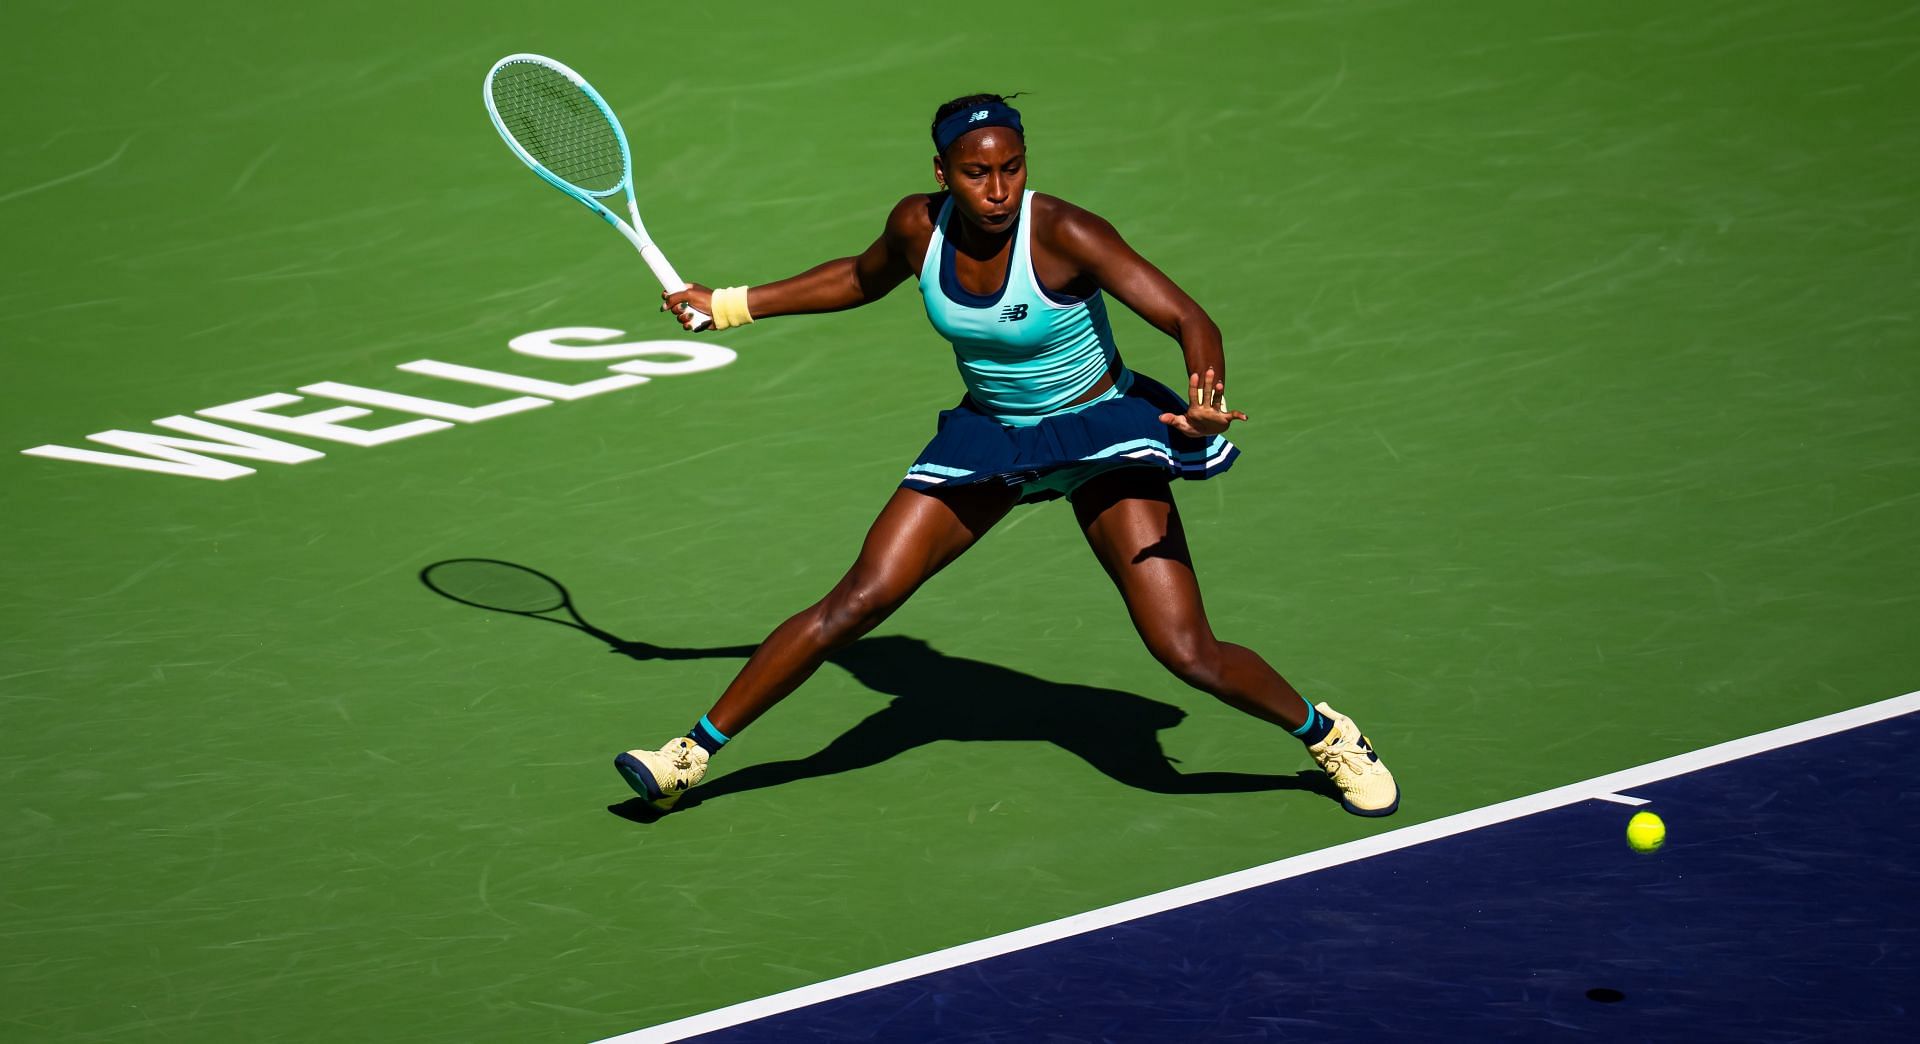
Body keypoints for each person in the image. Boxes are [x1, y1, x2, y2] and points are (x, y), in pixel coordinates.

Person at [615, 95, 1398, 818]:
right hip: (992, 436)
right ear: (941, 173)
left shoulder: (1065, 233)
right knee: (857, 600)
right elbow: (860, 278)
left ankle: (1325, 733)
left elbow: (1190, 317)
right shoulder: (918, 227)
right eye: (977, 172)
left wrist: (1203, 397)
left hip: (1102, 432)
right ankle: (690, 754)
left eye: (1012, 168)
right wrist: (727, 304)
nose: (998, 190)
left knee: (1185, 650)